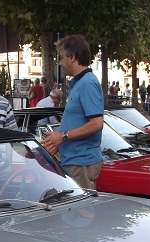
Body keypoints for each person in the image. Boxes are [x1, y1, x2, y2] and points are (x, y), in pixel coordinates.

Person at [41, 34, 104, 190]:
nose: (60, 62)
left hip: (81, 163)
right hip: (75, 162)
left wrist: (63, 136)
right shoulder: (80, 82)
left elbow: (97, 124)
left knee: (81, 207)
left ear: (73, 57)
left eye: (62, 57)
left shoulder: (87, 83)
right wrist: (58, 140)